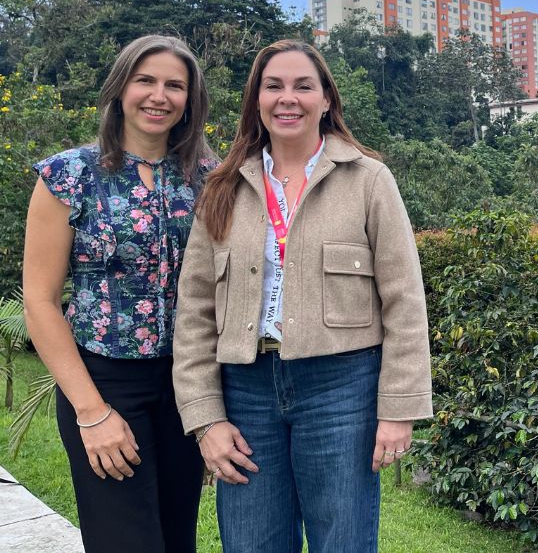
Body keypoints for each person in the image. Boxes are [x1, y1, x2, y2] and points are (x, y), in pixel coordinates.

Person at [173, 40, 432, 553]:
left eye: (302, 86)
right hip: (245, 390)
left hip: (342, 387)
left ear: (327, 100)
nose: (287, 98)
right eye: (273, 86)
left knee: (344, 541)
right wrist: (206, 419)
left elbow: (404, 299)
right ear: (256, 100)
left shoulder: (368, 180)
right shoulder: (223, 187)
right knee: (250, 542)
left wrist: (398, 408)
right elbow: (195, 311)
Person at [22, 35, 216, 553]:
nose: (159, 96)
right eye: (145, 80)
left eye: (175, 85)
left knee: (178, 540)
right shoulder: (69, 175)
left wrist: (212, 410)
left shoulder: (208, 178)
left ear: (189, 101)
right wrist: (92, 411)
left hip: (187, 383)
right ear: (120, 88)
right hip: (104, 382)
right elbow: (39, 300)